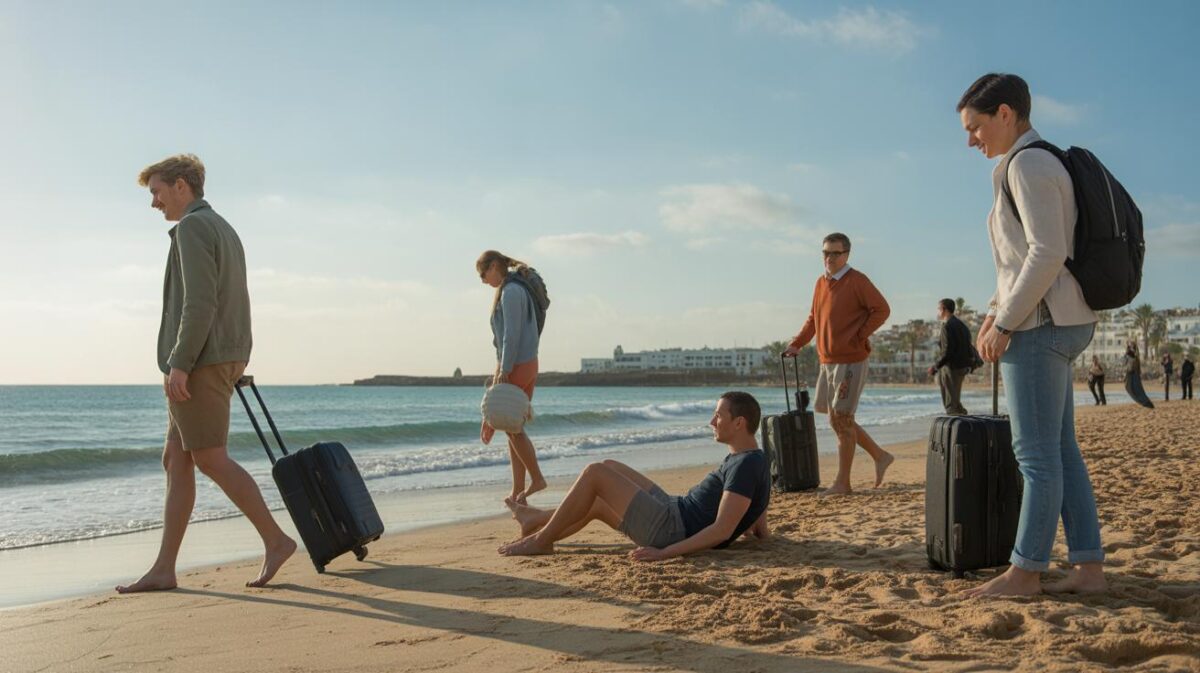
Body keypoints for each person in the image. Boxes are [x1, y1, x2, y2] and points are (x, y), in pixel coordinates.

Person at [118, 154, 295, 593]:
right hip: (219, 353)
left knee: (209, 457)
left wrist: (180, 362)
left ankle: (276, 540)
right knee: (176, 458)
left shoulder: (195, 227)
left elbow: (200, 303)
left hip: (203, 358)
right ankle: (164, 568)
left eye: (157, 191)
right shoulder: (222, 226)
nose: (154, 202)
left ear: (182, 186)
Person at [957, 74, 1106, 597]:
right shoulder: (1029, 163)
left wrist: (1004, 322)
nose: (971, 139)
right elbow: (1022, 260)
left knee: (1036, 458)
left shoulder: (1030, 163)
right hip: (1054, 319)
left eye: (975, 127)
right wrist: (994, 309)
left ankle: (1025, 572)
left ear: (1004, 113)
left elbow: (1046, 253)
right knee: (1060, 452)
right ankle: (1088, 569)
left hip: (1042, 327)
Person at [498, 392, 770, 560]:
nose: (712, 422)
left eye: (718, 416)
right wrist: (756, 530)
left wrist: (664, 553)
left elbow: (722, 530)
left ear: (739, 423)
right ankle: (536, 520)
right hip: (674, 510)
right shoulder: (750, 459)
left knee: (595, 473)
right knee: (608, 469)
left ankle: (539, 540)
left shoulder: (745, 465)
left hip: (672, 529)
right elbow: (755, 521)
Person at [783, 232, 893, 496]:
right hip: (827, 361)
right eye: (825, 253)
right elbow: (813, 318)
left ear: (846, 255)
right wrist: (797, 344)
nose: (829, 258)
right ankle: (880, 456)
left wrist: (858, 335)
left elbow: (882, 309)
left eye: (835, 253)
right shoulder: (821, 283)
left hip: (851, 360)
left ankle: (843, 483)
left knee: (841, 419)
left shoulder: (857, 280)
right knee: (836, 418)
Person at [477, 250, 546, 505]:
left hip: (517, 364)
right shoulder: (516, 288)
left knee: (512, 428)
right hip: (528, 363)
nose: (483, 280)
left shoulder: (511, 292)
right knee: (513, 427)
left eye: (483, 274)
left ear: (494, 266)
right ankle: (518, 491)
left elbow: (511, 336)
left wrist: (503, 371)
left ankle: (537, 479)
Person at [928, 298, 973, 415]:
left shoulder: (947, 326)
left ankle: (957, 430)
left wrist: (936, 367)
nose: (938, 312)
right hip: (962, 367)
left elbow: (947, 352)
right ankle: (966, 426)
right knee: (956, 402)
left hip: (951, 368)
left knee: (950, 404)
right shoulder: (962, 326)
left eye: (939, 309)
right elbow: (968, 347)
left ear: (944, 310)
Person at [1124, 341, 1155, 409]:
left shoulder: (1134, 353)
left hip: (1134, 373)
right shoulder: (1130, 353)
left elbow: (1133, 359)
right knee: (1130, 388)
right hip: (1130, 373)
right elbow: (1126, 360)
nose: (1130, 345)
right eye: (1130, 344)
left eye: (1131, 344)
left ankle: (1146, 403)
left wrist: (1128, 349)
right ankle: (1144, 402)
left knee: (1138, 390)